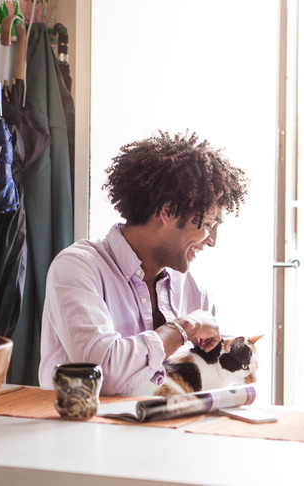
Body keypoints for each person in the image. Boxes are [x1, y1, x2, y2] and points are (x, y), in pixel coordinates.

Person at [38, 130, 249, 395]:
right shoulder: (77, 269)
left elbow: (213, 381)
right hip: (87, 433)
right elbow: (102, 373)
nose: (212, 240)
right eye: (207, 224)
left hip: (174, 432)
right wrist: (183, 328)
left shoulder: (195, 290)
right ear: (168, 212)